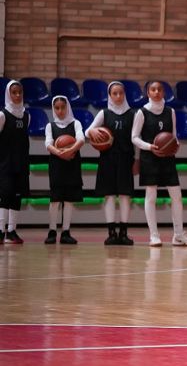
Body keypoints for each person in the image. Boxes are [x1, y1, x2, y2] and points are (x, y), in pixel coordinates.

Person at [132, 80, 187, 248]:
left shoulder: (170, 111)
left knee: (177, 196)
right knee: (151, 197)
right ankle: (154, 236)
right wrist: (149, 147)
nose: (156, 92)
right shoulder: (142, 112)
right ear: (148, 93)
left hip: (167, 158)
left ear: (164, 92)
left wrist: (176, 145)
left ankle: (178, 235)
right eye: (153, 89)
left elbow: (173, 135)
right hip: (149, 157)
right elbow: (134, 137)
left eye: (159, 89)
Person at [85, 81, 137, 245]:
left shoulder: (132, 114)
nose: (118, 96)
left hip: (126, 158)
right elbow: (87, 132)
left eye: (121, 93)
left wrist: (137, 160)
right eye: (115, 93)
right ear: (109, 95)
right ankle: (111, 233)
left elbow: (136, 139)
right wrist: (92, 130)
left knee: (125, 195)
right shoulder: (104, 113)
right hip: (107, 158)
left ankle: (124, 233)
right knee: (109, 195)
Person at [44, 96, 85, 245]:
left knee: (69, 200)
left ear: (67, 107)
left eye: (63, 107)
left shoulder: (76, 123)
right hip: (56, 165)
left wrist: (70, 150)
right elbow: (48, 144)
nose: (60, 110)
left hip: (72, 164)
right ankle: (52, 231)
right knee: (55, 200)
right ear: (53, 109)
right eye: (57, 108)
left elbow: (81, 139)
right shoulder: (50, 126)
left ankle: (66, 232)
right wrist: (60, 153)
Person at [0, 80, 32, 244]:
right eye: (14, 92)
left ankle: (12, 231)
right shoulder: (2, 115)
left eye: (20, 92)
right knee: (4, 196)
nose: (17, 95)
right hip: (5, 164)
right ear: (8, 94)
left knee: (16, 197)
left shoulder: (27, 116)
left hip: (21, 163)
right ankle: (0, 231)